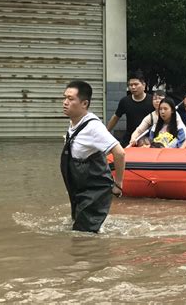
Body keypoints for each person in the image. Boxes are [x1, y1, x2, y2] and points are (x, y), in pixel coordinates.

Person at [61, 80, 125, 233]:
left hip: (95, 189)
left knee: (83, 235)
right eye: (64, 98)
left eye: (70, 99)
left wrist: (118, 184)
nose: (64, 102)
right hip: (80, 189)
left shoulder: (93, 127)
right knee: (79, 229)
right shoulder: (74, 123)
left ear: (84, 103)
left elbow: (119, 152)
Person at [106, 71, 154, 147]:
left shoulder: (152, 101)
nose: (133, 87)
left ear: (144, 85)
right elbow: (116, 117)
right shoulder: (125, 101)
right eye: (130, 85)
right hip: (129, 138)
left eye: (136, 84)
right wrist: (106, 132)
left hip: (148, 138)